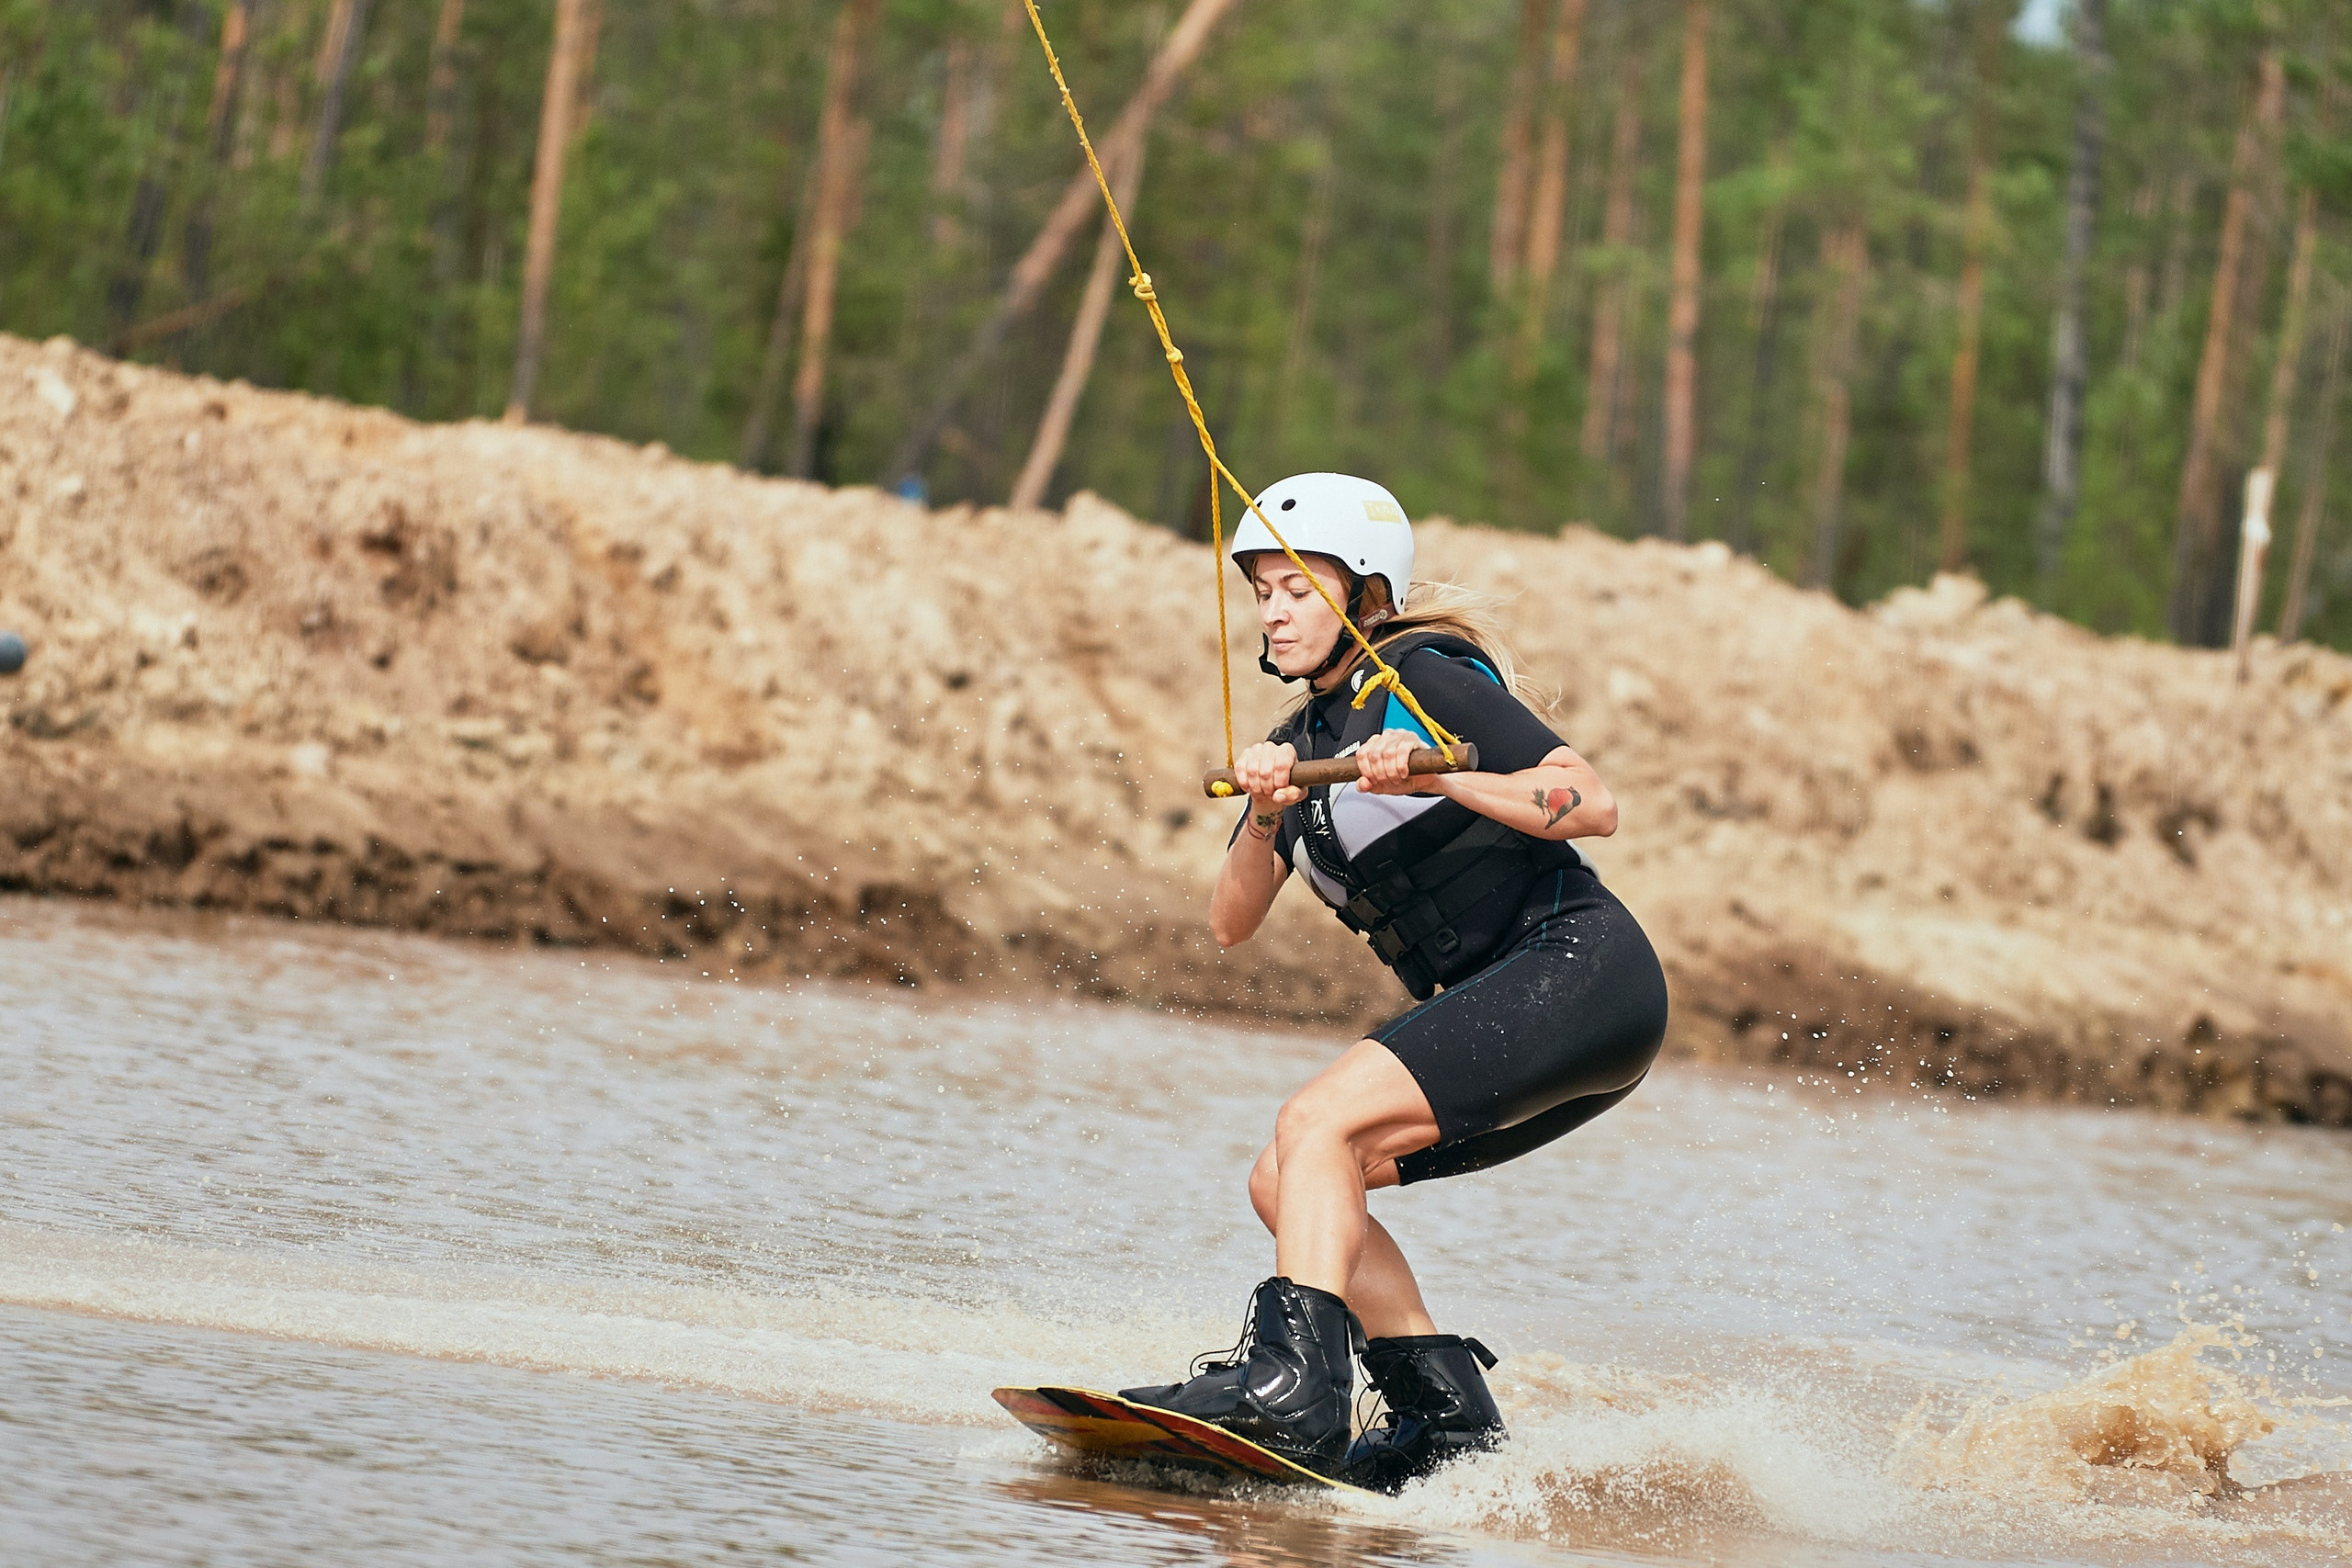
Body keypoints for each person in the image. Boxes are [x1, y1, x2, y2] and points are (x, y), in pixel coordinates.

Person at [1118, 473, 1669, 1491]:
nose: (1274, 611)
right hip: (1519, 1013)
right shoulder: (1300, 741)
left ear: (1364, 594)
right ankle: (1443, 1424)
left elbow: (1592, 804)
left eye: (1297, 588)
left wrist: (1436, 773)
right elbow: (1229, 924)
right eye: (1263, 591)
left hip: (1581, 974)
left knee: (1314, 1121)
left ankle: (1292, 1392)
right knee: (1283, 1180)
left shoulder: (1426, 677)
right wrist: (1272, 807)